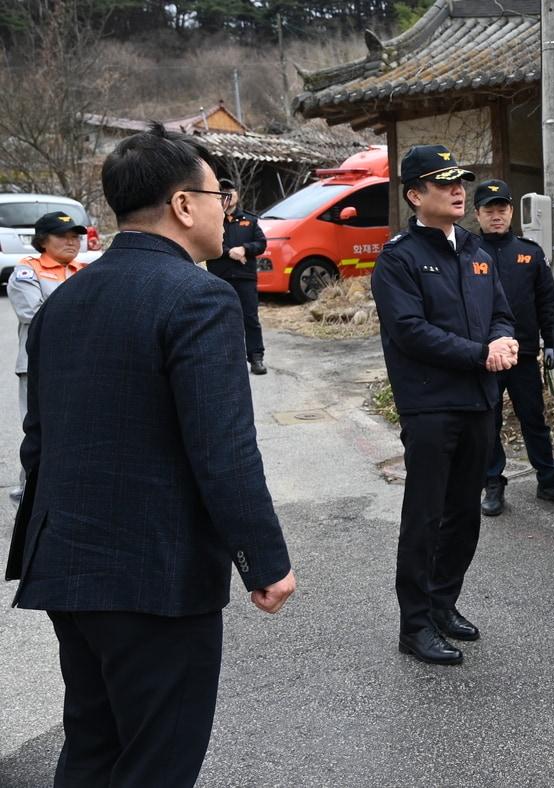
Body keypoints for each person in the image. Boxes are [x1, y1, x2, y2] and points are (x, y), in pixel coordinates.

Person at [4, 123, 296, 787]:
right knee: (158, 760)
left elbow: (39, 440)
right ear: (183, 204)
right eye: (220, 193)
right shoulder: (200, 297)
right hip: (154, 576)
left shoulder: (65, 300)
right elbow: (221, 450)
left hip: (65, 566)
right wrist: (264, 559)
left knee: (94, 746)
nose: (228, 207)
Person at [370, 144, 517, 666]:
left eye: (461, 181)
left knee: (463, 514)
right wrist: (483, 354)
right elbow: (410, 333)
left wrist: (504, 341)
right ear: (415, 195)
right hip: (431, 406)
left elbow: (502, 312)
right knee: (425, 516)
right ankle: (414, 624)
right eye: (443, 182)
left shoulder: (477, 253)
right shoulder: (399, 258)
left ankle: (442, 603)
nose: (459, 190)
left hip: (479, 401)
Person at [472, 178, 554, 516]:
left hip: (524, 354)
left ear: (511, 212)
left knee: (534, 418)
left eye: (502, 209)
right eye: (489, 210)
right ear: (478, 214)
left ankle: (549, 481)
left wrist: (552, 348)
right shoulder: (466, 251)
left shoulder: (529, 253)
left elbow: (549, 305)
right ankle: (493, 483)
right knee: (489, 422)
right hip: (482, 356)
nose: (496, 215)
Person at [6, 211, 90, 503]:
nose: (72, 242)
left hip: (80, 362)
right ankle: (27, 494)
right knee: (41, 430)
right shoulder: (28, 270)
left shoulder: (83, 270)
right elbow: (33, 312)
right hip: (39, 364)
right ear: (43, 241)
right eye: (63, 236)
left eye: (75, 236)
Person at [205, 177, 269, 374]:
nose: (228, 195)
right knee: (221, 319)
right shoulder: (212, 219)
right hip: (220, 276)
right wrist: (228, 252)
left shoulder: (249, 220)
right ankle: (225, 359)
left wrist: (244, 248)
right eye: (223, 191)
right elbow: (206, 242)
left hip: (244, 277)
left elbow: (261, 243)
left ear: (237, 195)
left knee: (250, 319)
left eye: (231, 191)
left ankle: (256, 358)